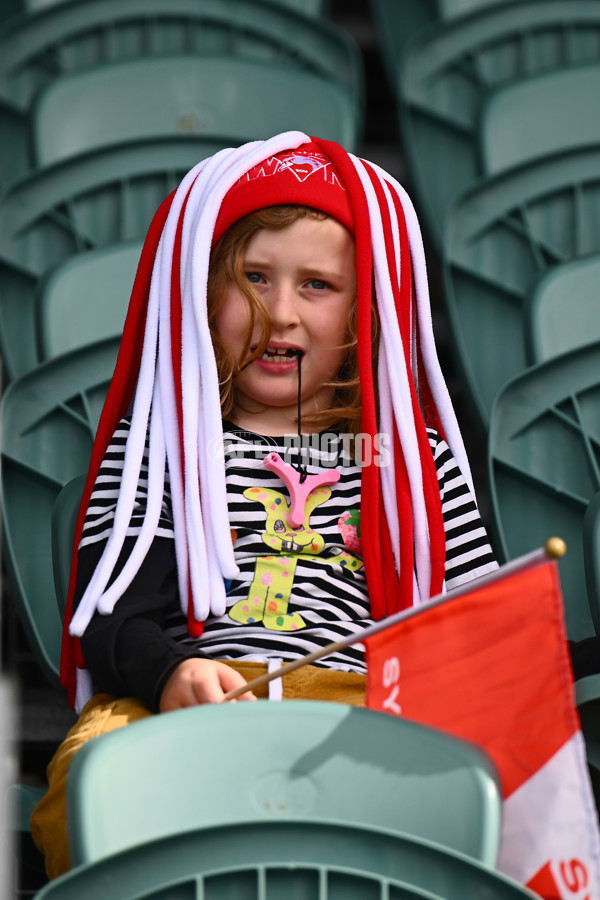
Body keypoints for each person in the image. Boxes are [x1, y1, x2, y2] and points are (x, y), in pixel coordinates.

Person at [31, 133, 497, 877]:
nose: (279, 312)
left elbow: (478, 632)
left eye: (317, 285)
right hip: (192, 701)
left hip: (365, 705)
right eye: (253, 277)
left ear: (363, 311)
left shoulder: (412, 465)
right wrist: (170, 675)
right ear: (204, 292)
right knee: (89, 781)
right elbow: (111, 616)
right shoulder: (164, 447)